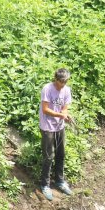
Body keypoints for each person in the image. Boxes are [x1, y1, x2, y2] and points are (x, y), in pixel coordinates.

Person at [39, 68, 74, 201]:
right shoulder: (47, 89)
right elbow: (45, 109)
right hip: (47, 126)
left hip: (59, 126)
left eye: (65, 82)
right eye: (61, 82)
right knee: (48, 156)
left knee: (61, 153)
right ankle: (45, 184)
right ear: (56, 79)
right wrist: (60, 115)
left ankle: (59, 181)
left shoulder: (66, 90)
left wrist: (65, 114)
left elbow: (65, 107)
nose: (63, 85)